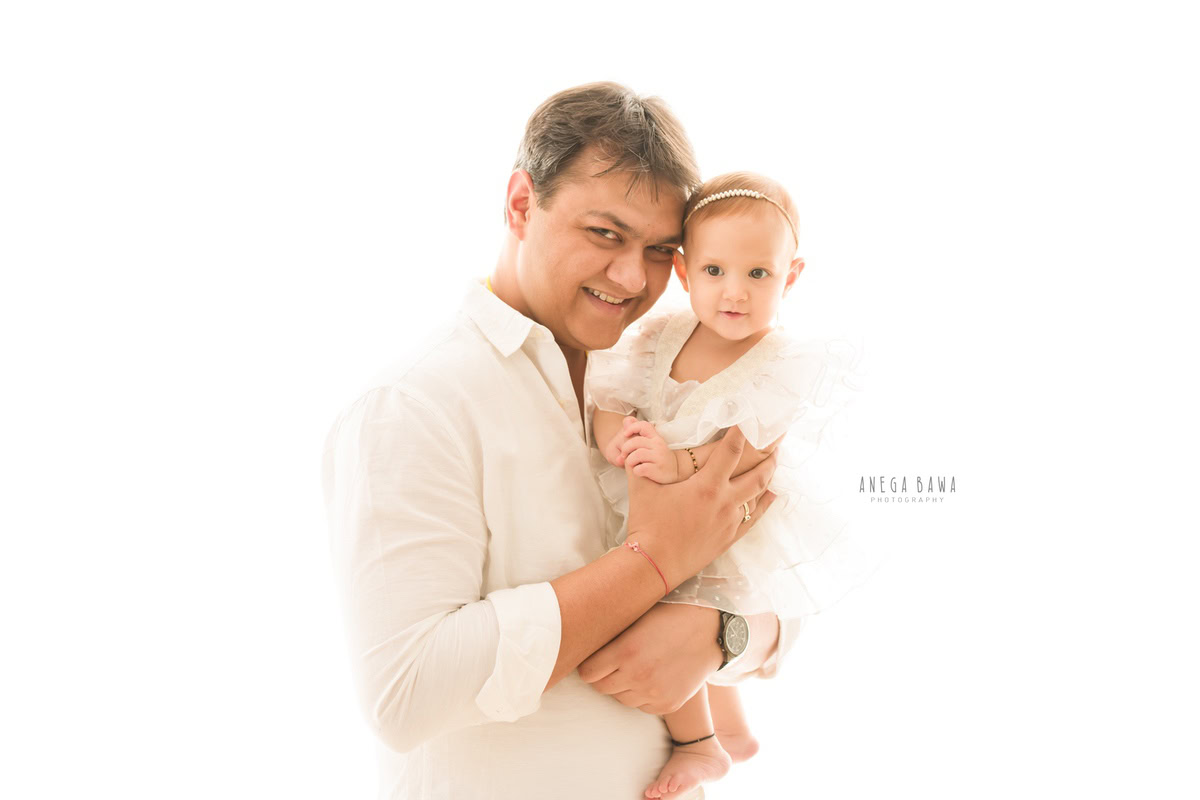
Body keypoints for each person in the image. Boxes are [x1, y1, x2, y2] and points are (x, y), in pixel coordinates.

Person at [322, 83, 801, 800]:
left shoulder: (665, 372)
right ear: (521, 204)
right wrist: (654, 563)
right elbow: (404, 692)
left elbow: (782, 582)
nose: (632, 277)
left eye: (659, 249)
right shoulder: (411, 405)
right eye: (604, 234)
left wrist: (721, 634)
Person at [589, 171, 866, 799]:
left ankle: (700, 745)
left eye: (758, 274)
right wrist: (615, 437)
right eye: (714, 271)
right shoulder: (659, 336)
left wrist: (678, 463)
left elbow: (751, 452)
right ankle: (734, 729)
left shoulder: (783, 362)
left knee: (674, 604)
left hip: (725, 515)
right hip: (654, 495)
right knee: (651, 584)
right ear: (684, 273)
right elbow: (611, 396)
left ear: (790, 276)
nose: (734, 292)